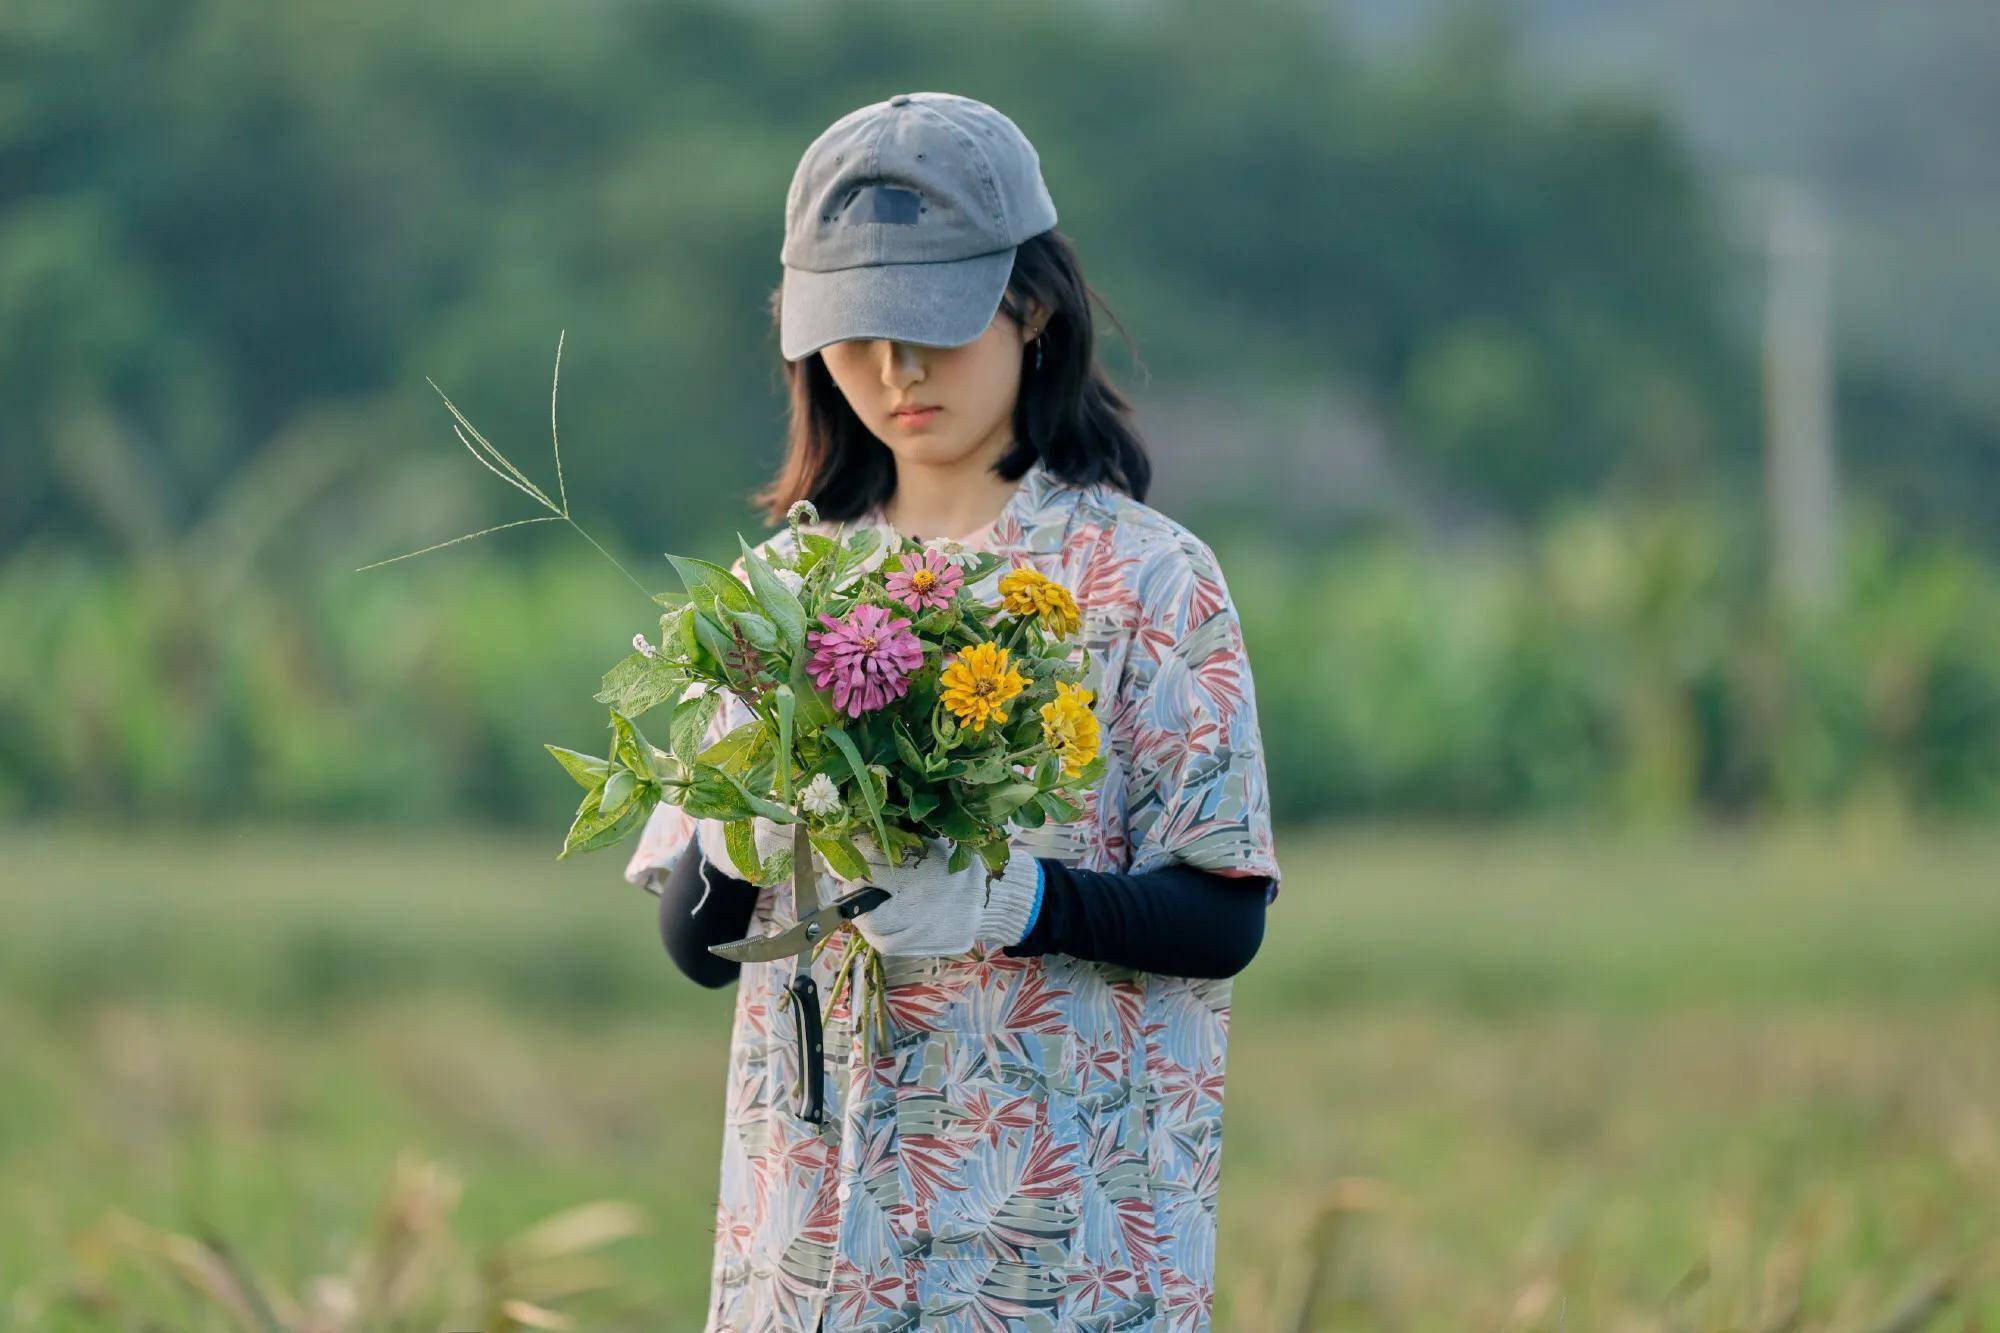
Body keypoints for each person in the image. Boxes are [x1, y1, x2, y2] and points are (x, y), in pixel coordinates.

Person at [624, 90, 1283, 1333]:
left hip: (1058, 1228)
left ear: (1030, 306)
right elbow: (696, 948)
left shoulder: (1144, 578)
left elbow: (1223, 908)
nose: (893, 372)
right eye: (854, 336)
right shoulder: (780, 595)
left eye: (930, 325)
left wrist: (1018, 903)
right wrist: (735, 836)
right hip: (818, 1238)